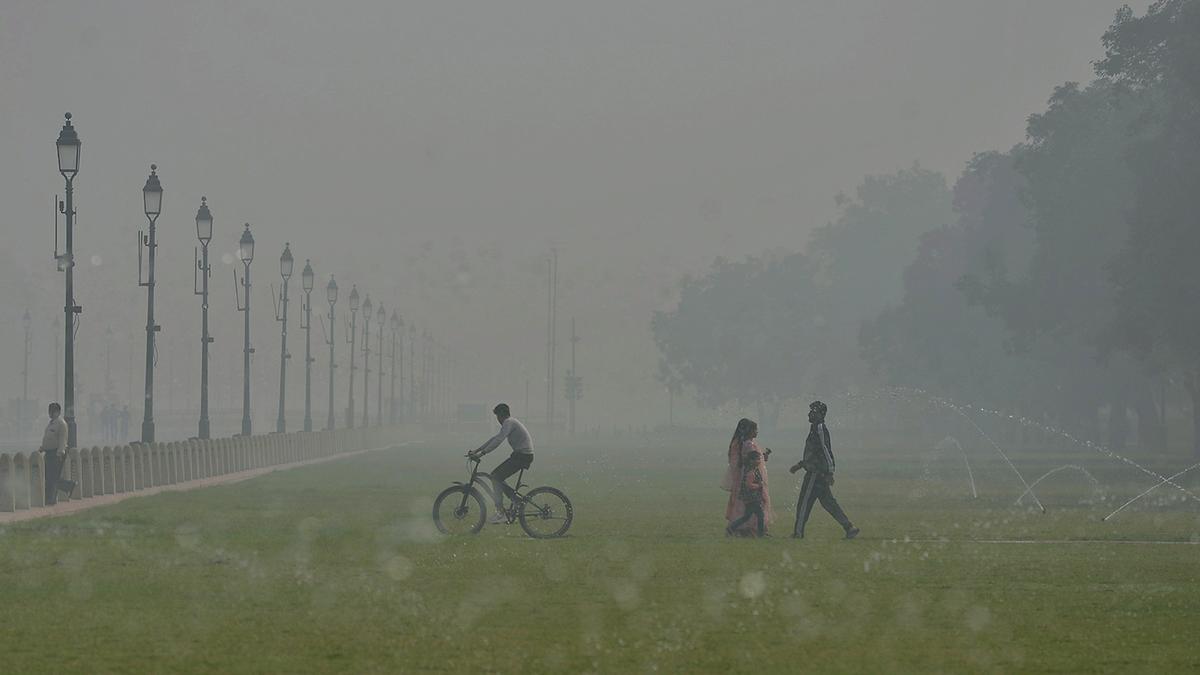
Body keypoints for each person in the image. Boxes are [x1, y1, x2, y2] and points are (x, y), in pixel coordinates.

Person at [790, 401, 859, 539]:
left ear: (820, 414)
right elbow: (814, 452)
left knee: (804, 503)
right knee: (829, 503)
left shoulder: (819, 428)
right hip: (818, 472)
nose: (809, 414)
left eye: (812, 412)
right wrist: (800, 464)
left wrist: (830, 471)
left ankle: (798, 533)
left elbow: (826, 450)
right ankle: (849, 527)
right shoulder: (815, 428)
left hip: (815, 474)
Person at [468, 403, 533, 524]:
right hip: (520, 455)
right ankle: (515, 500)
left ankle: (501, 512)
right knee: (496, 477)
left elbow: (499, 440)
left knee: (496, 476)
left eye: (497, 416)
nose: (497, 419)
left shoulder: (509, 422)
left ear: (501, 415)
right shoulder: (509, 423)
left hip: (522, 456)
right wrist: (477, 450)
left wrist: (482, 454)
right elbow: (494, 438)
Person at [723, 418, 772, 536]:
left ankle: (750, 529)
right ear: (748, 431)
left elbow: (753, 458)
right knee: (754, 508)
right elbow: (750, 460)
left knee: (749, 510)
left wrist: (762, 457)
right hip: (751, 479)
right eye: (755, 430)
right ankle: (752, 530)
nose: (756, 432)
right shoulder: (747, 444)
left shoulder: (748, 443)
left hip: (750, 478)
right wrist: (759, 459)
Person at [40, 402, 76, 505]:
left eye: (53, 411)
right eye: (49, 411)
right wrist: (43, 448)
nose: (50, 413)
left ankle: (51, 499)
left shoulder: (61, 424)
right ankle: (67, 487)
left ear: (58, 412)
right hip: (49, 453)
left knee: (52, 477)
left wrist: (60, 454)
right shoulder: (51, 423)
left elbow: (62, 440)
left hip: (56, 453)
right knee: (50, 477)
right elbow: (49, 439)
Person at [726, 449, 768, 537]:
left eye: (759, 459)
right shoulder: (751, 472)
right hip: (752, 498)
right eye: (757, 459)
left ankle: (732, 527)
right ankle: (760, 534)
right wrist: (759, 485)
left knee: (747, 516)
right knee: (760, 515)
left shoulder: (752, 469)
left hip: (752, 498)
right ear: (751, 460)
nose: (759, 461)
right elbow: (749, 485)